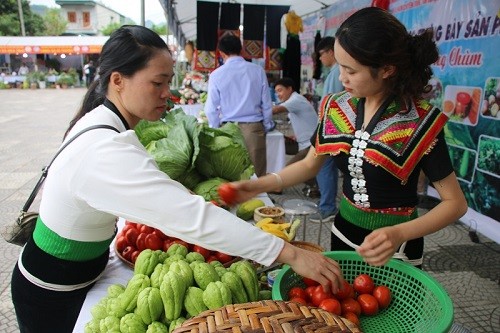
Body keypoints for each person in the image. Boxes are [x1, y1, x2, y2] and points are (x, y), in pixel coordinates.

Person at [10, 25, 343, 333]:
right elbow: (190, 217)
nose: (167, 94)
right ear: (118, 80)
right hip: (51, 292)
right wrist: (290, 253)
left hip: (76, 275)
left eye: (169, 82)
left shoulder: (103, 121)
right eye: (157, 83)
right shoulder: (103, 149)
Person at [230, 7, 467, 268]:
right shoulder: (337, 107)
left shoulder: (421, 122)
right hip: (343, 233)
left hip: (396, 248)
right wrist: (258, 185)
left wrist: (400, 233)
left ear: (387, 69)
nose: (342, 78)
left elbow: (455, 204)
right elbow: (310, 165)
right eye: (340, 67)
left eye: (351, 71)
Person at [204, 34, 275, 177]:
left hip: (228, 129)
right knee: (257, 176)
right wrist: (267, 125)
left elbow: (211, 108)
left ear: (222, 53)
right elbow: (267, 103)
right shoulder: (257, 71)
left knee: (232, 173)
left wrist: (216, 128)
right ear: (242, 50)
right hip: (254, 128)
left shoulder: (216, 74)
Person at [310, 36, 343, 223]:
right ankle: (327, 205)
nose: (320, 59)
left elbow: (333, 104)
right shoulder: (335, 71)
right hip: (331, 129)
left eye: (321, 54)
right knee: (325, 168)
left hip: (331, 129)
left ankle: (327, 208)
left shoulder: (338, 71)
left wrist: (324, 132)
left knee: (323, 167)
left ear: (331, 51)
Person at [272, 77, 318, 189]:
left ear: (289, 89)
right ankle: (313, 183)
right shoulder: (294, 100)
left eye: (280, 90)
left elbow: (276, 110)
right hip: (303, 141)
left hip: (310, 144)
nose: (278, 94)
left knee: (287, 172)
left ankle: (277, 187)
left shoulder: (296, 99)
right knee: (280, 143)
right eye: (276, 92)